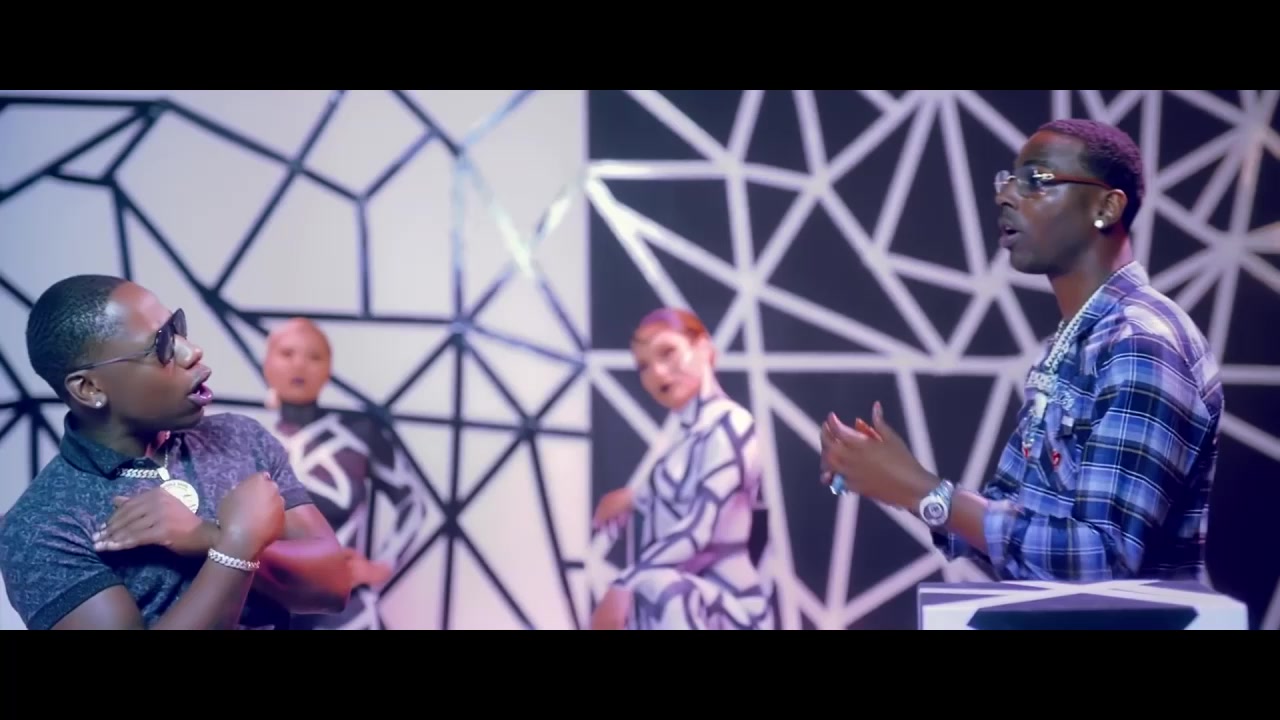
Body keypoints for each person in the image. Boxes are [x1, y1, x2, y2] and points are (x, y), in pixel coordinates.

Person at [820, 118, 1223, 582]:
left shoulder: (1140, 343)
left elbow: (1102, 559)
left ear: (1107, 207)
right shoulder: (1071, 344)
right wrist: (896, 482)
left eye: (1036, 180)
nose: (1006, 196)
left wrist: (923, 492)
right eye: (1008, 180)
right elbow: (1015, 532)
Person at [0, 275, 354, 630]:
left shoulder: (240, 437)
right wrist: (236, 545)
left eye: (177, 328)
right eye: (162, 345)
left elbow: (333, 586)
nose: (192, 351)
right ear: (90, 388)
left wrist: (207, 537)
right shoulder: (39, 527)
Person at [590, 308, 775, 630]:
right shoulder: (684, 443)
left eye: (668, 352)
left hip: (728, 606)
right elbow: (674, 493)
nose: (658, 373)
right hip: (676, 604)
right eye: (644, 366)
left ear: (703, 348)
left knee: (661, 589)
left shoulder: (733, 425)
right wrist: (632, 498)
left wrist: (625, 582)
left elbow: (699, 530)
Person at [261, 317, 425, 630]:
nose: (300, 365)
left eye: (314, 356)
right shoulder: (251, 442)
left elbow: (412, 503)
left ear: (329, 369)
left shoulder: (360, 434)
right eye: (287, 353)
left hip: (347, 616)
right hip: (268, 613)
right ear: (267, 363)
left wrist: (382, 565)